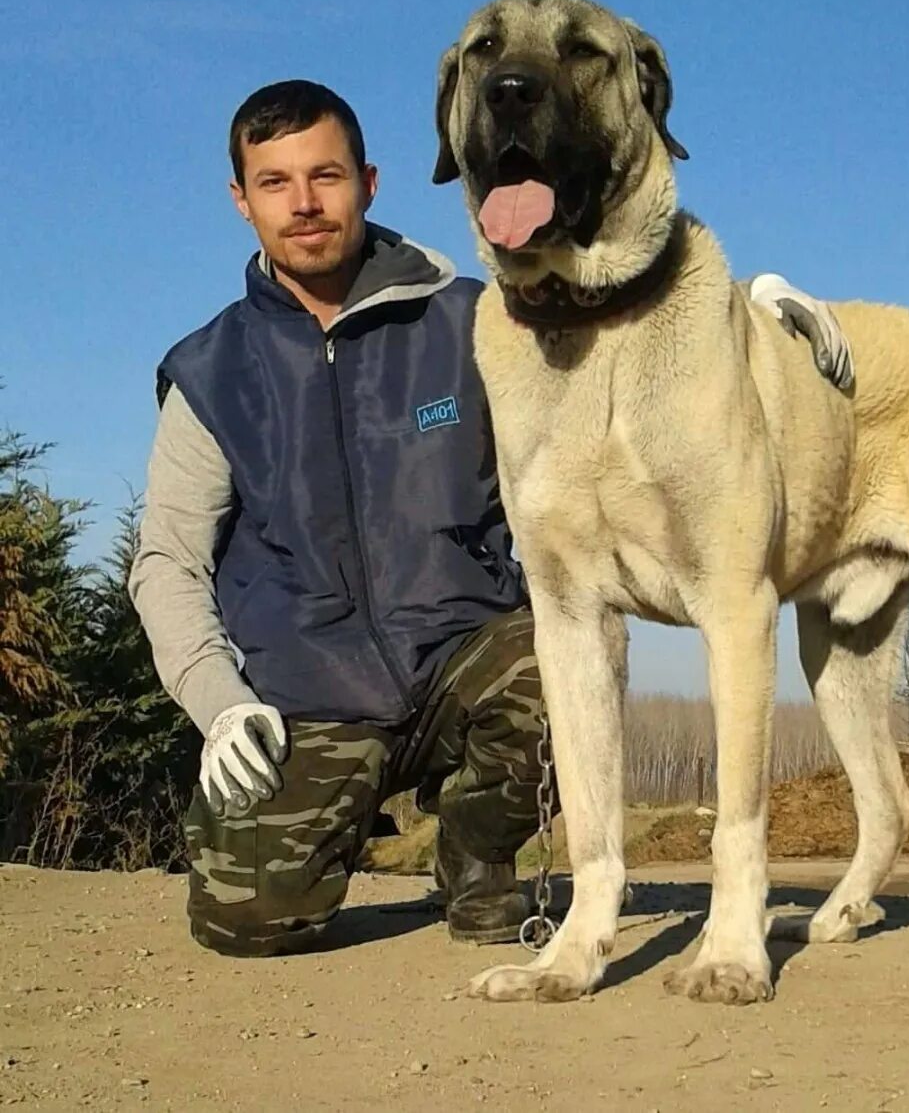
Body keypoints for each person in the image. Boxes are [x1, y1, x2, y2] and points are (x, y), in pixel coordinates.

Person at [129, 79, 853, 957]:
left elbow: (623, 330)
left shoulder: (477, 314)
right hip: (308, 693)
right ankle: (331, 826)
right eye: (275, 183)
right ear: (241, 202)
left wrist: (748, 313)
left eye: (326, 175)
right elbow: (166, 561)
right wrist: (219, 703)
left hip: (466, 658)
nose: (306, 203)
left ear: (369, 180)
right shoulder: (211, 374)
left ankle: (477, 861)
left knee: (560, 670)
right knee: (246, 921)